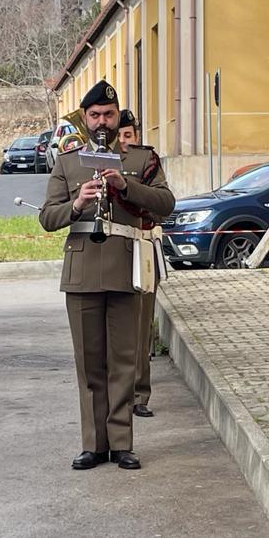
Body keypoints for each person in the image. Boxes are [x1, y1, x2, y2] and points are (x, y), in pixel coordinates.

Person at [38, 79, 174, 470]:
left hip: (126, 267)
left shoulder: (141, 159)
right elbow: (48, 218)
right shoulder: (67, 162)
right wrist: (78, 203)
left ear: (118, 118)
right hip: (82, 269)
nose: (102, 122)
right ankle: (93, 443)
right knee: (89, 362)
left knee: (124, 360)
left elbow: (166, 204)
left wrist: (126, 186)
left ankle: (122, 442)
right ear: (84, 118)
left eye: (109, 115)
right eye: (95, 115)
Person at [117, 109, 160, 418]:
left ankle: (139, 394)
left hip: (141, 246)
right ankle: (117, 392)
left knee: (142, 324)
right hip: (111, 251)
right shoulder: (98, 160)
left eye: (129, 135)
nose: (123, 141)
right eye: (119, 136)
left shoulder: (146, 161)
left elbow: (161, 205)